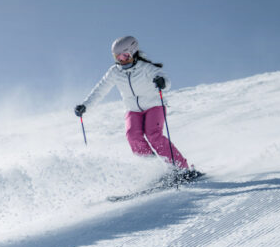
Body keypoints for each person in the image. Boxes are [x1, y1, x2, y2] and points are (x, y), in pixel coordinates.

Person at [75, 36, 202, 180]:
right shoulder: (114, 72)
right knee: (132, 136)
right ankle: (156, 170)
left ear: (133, 52)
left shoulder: (145, 67)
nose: (122, 60)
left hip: (154, 106)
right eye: (118, 57)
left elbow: (163, 77)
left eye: (125, 56)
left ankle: (182, 169)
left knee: (154, 135)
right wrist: (85, 105)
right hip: (133, 110)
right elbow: (100, 90)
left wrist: (162, 82)